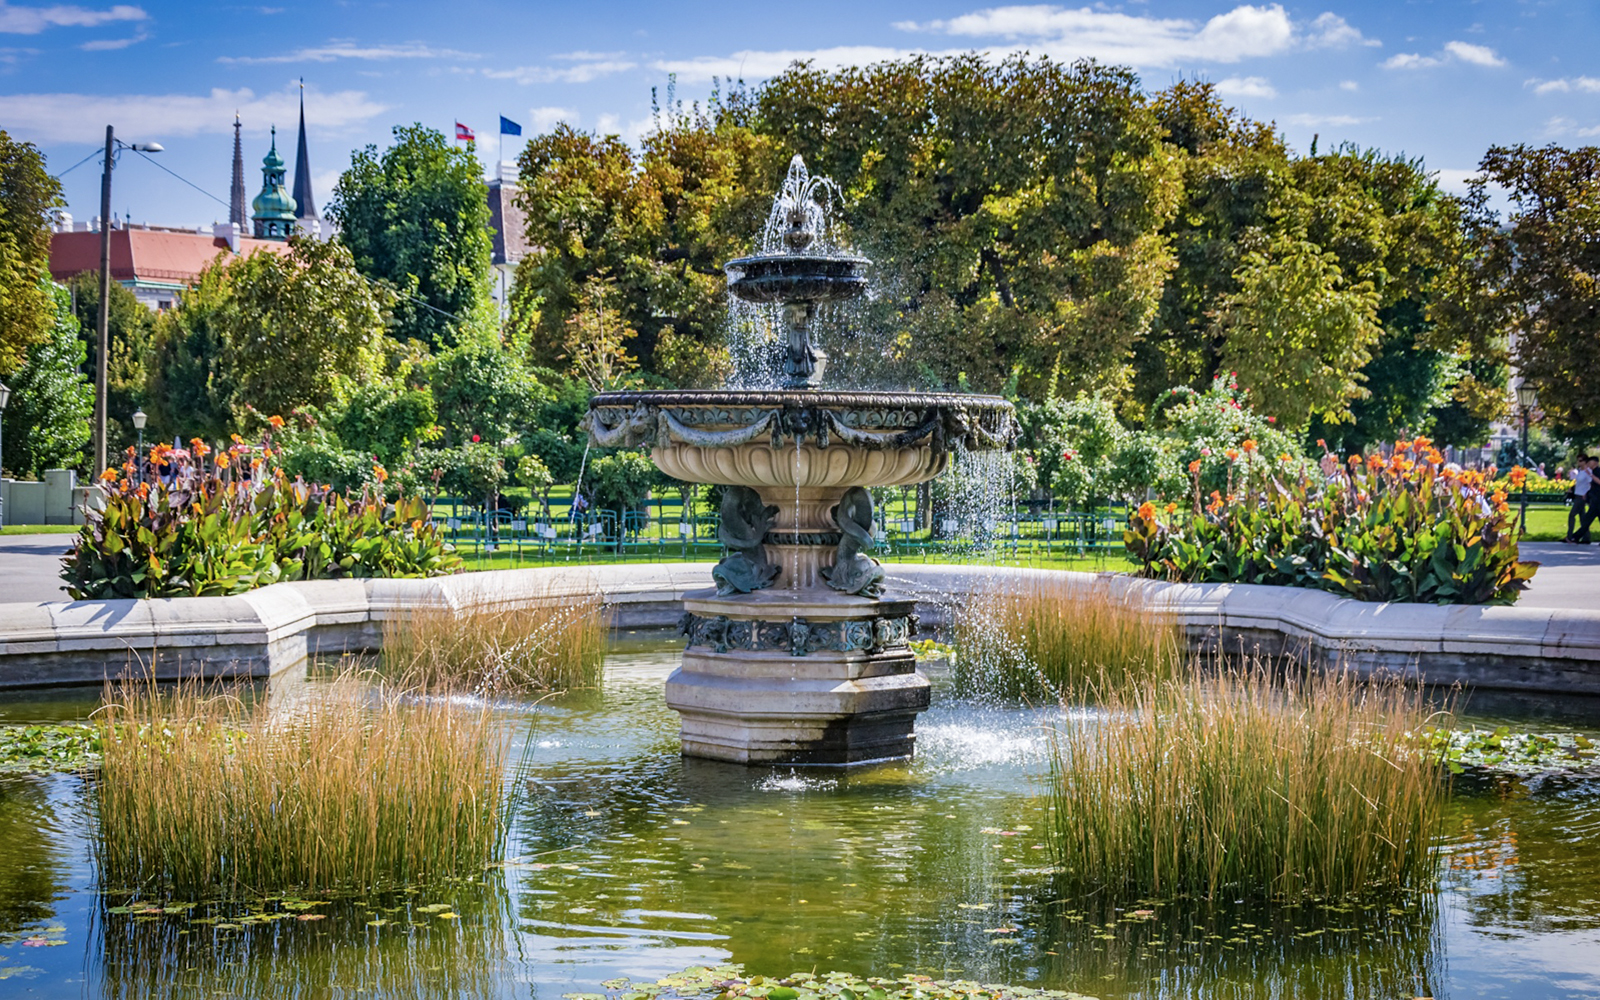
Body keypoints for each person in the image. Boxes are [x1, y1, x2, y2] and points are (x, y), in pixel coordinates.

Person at [1568, 455, 1596, 544]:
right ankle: (1586, 538)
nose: (1578, 463)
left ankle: (1569, 536)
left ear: (1585, 462)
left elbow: (1590, 484)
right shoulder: (1580, 471)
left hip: (1581, 497)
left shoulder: (1588, 472)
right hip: (1577, 495)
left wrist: (1586, 494)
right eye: (1578, 461)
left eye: (1580, 461)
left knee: (1572, 515)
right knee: (1583, 518)